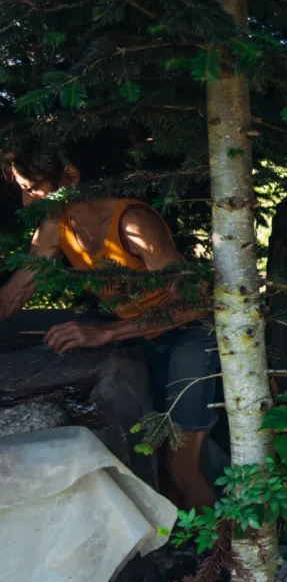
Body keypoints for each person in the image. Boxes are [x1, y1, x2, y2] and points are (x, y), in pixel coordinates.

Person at [0, 145, 218, 510]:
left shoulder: (132, 223)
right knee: (162, 464)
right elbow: (12, 296)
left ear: (70, 176)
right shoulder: (56, 225)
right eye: (22, 189)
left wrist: (106, 333)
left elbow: (195, 302)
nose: (25, 202)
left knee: (180, 466)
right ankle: (192, 540)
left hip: (190, 337)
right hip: (144, 338)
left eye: (33, 188)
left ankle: (241, 547)